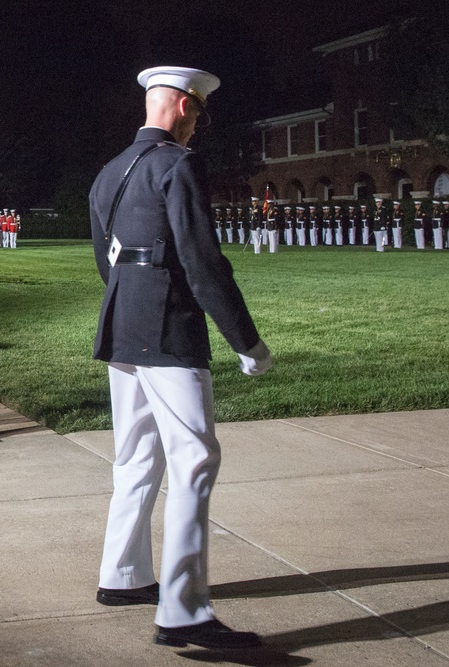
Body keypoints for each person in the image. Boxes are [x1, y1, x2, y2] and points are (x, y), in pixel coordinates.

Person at [89, 66, 270, 650]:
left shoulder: (109, 172)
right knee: (194, 460)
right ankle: (185, 612)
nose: (198, 126)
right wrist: (247, 341)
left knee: (136, 457)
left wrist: (132, 308)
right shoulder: (179, 164)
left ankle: (123, 574)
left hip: (122, 326)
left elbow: (105, 264)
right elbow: (203, 262)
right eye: (199, 113)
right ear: (184, 106)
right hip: (169, 329)